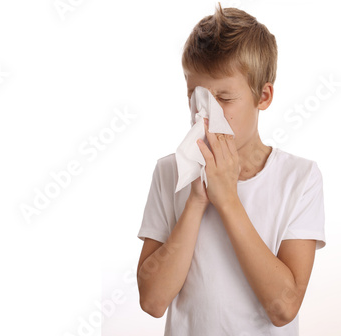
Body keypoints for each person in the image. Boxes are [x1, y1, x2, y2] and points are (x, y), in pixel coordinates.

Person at [136, 3, 326, 335]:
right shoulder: (171, 172)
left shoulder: (300, 179)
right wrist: (196, 201)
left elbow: (283, 308)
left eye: (224, 99)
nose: (207, 116)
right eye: (196, 97)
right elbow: (152, 301)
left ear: (263, 96)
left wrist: (228, 200)